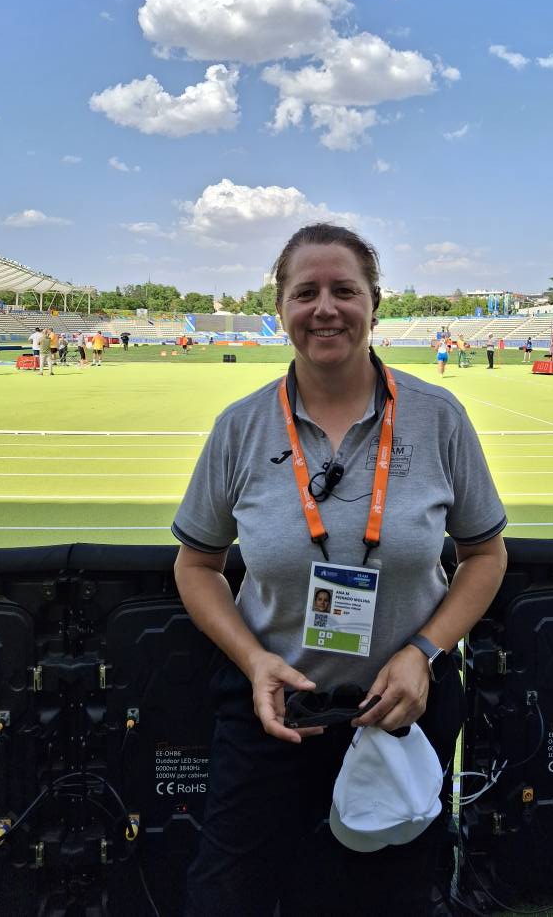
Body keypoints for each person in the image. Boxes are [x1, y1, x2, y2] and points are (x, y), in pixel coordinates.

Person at [172, 223, 507, 917]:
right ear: (282, 309)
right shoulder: (240, 427)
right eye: (306, 293)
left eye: (345, 290)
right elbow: (197, 565)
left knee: (390, 897)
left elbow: (485, 555)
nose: (326, 308)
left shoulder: (438, 417)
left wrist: (424, 652)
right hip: (273, 712)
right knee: (228, 894)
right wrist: (253, 662)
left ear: (374, 305)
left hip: (400, 712)